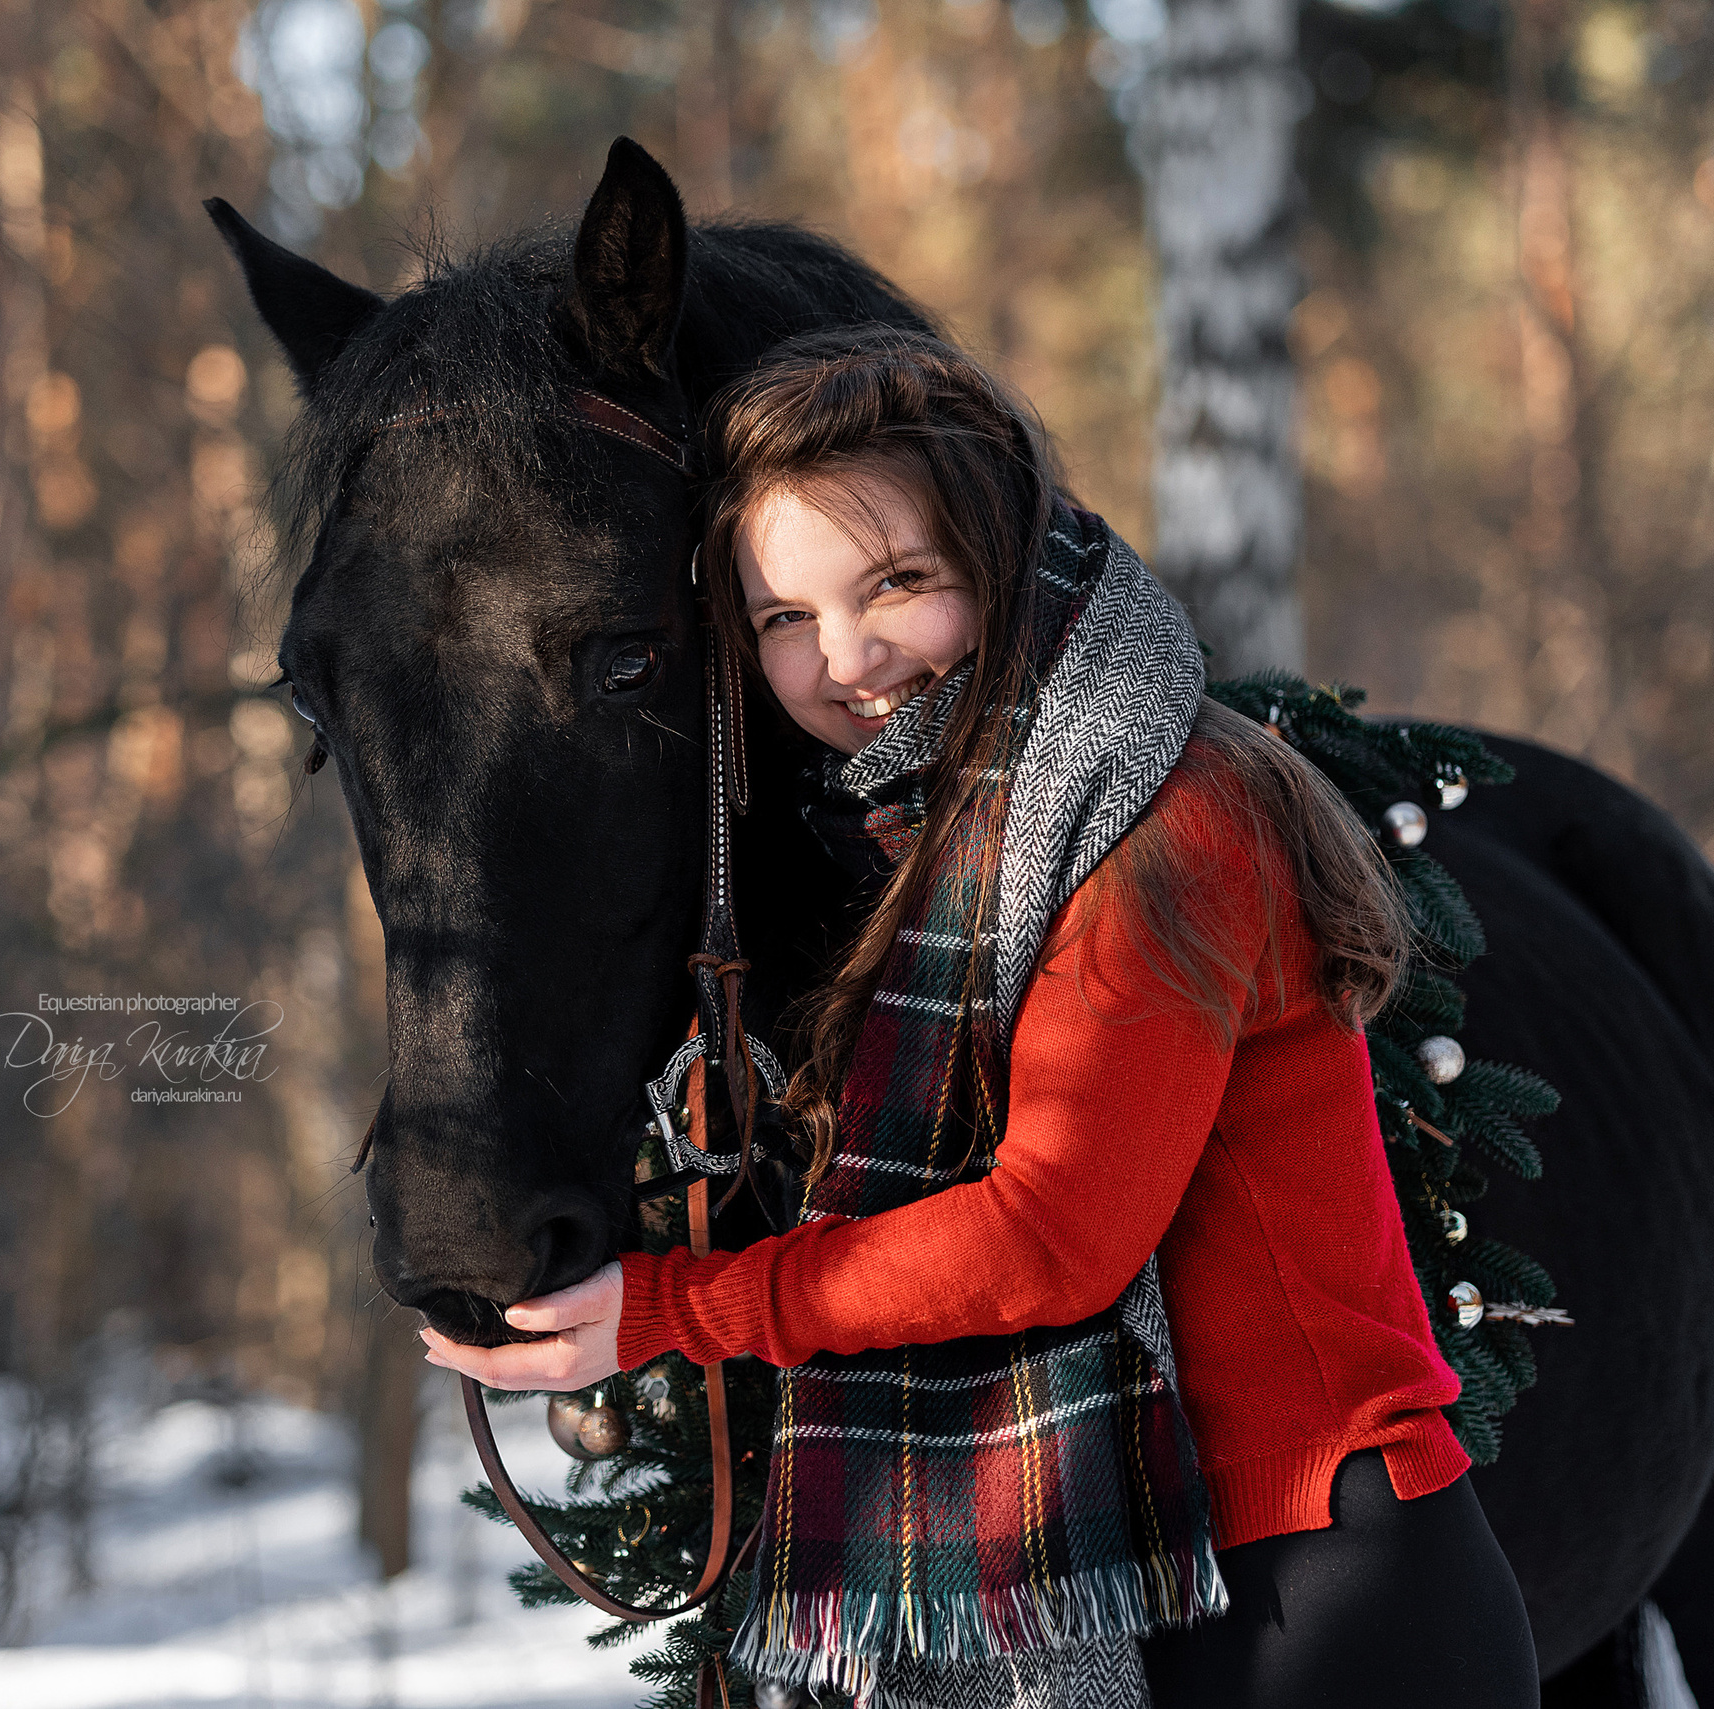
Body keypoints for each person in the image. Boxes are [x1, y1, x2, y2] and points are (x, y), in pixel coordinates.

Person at [421, 329, 1540, 1709]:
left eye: (897, 582)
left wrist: (671, 1309)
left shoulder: (1162, 819)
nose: (847, 656)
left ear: (1000, 557)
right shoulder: (947, 847)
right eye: (784, 617)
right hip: (1167, 1571)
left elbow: (1049, 1237)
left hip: (1321, 1593)